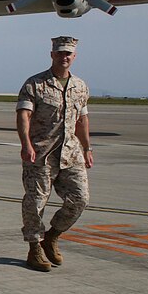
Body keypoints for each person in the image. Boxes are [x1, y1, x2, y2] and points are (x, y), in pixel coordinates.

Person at [17, 36, 93, 272]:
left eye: (68, 53)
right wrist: (26, 144)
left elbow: (82, 120)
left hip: (71, 154)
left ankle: (52, 236)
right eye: (60, 53)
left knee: (80, 199)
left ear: (74, 56)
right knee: (36, 202)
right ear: (52, 55)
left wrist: (87, 147)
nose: (64, 57)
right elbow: (23, 116)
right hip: (41, 154)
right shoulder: (35, 84)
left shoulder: (80, 86)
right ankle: (34, 247)